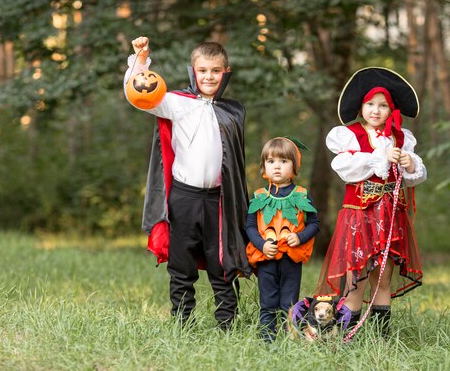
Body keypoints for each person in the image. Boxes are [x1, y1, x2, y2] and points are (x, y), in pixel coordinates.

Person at [124, 36, 251, 330]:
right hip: (184, 197)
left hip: (219, 200)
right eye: (203, 70)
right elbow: (138, 94)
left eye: (215, 71)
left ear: (225, 72)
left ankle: (226, 326)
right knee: (182, 265)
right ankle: (183, 324)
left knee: (222, 263)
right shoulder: (177, 103)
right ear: (193, 71)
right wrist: (140, 60)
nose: (209, 76)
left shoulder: (234, 111)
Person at [314, 67, 427, 338]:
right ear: (361, 106)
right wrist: (378, 158)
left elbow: (412, 178)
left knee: (383, 280)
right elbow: (343, 167)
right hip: (359, 218)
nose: (376, 110)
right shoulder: (350, 135)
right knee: (357, 279)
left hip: (390, 219)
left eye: (383, 105)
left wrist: (409, 163)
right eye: (370, 104)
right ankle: (347, 337)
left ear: (391, 109)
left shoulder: (400, 138)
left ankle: (380, 339)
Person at [245, 137, 320, 341]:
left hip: (291, 259)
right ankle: (267, 339)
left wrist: (300, 236)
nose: (277, 166)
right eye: (271, 161)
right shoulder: (259, 197)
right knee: (268, 301)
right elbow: (250, 226)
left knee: (289, 302)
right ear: (263, 167)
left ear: (295, 165)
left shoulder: (302, 196)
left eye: (284, 161)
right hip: (266, 258)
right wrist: (261, 245)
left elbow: (314, 224)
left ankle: (289, 338)